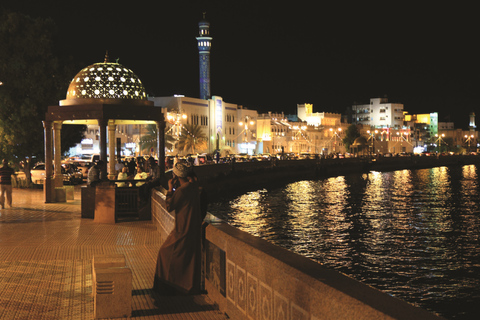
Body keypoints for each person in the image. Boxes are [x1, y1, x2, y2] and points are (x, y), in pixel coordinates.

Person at [153, 162, 202, 295]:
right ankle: (186, 284)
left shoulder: (182, 190)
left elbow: (169, 206)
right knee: (188, 259)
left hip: (182, 229)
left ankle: (169, 286)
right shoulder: (193, 187)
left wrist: (170, 189)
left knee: (164, 253)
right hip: (192, 227)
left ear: (175, 175)